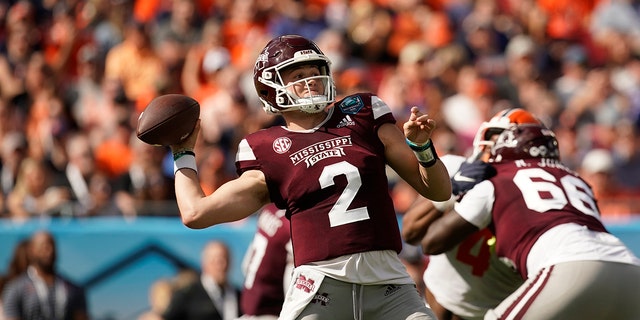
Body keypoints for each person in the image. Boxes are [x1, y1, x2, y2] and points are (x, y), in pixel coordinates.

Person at [168, 34, 451, 320]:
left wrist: (422, 147)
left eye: (315, 72)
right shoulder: (266, 148)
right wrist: (182, 153)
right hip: (321, 287)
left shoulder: (362, 114)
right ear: (270, 88)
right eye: (299, 74)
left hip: (388, 281)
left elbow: (439, 191)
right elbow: (195, 213)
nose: (312, 80)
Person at [419, 122, 640, 319]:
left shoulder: (495, 179)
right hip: (629, 265)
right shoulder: (576, 179)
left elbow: (431, 242)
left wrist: (454, 194)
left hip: (568, 266)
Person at [402, 108, 537, 320]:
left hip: (493, 312)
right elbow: (410, 233)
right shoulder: (455, 166)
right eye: (495, 137)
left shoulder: (530, 196)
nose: (498, 146)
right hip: (435, 303)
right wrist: (454, 188)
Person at [1, 230, 89, 320]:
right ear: (32, 251)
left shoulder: (72, 289)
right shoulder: (15, 289)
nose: (49, 251)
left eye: (52, 246)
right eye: (44, 247)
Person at [162, 240, 242, 320]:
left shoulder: (239, 296)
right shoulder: (188, 294)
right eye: (216, 261)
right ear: (204, 263)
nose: (221, 266)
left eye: (225, 259)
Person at [239, 204, 293, 319]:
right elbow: (291, 282)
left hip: (249, 300)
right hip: (269, 309)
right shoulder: (290, 226)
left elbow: (245, 265)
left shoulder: (270, 208)